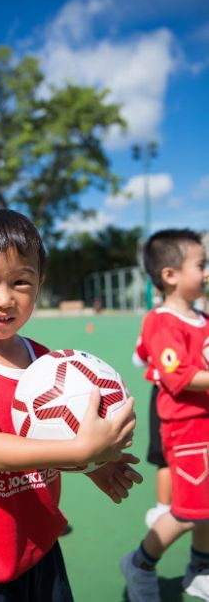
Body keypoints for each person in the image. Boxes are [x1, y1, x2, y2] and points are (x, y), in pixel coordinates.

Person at [0, 207, 142, 602]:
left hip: (40, 544)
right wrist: (79, 450)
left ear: (39, 284)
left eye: (21, 282)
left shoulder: (49, 362)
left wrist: (87, 464)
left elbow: (51, 436)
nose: (5, 299)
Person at [120, 228, 209, 602]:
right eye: (200, 265)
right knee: (187, 511)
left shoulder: (201, 317)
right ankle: (141, 563)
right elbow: (178, 377)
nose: (206, 272)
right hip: (186, 428)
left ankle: (200, 568)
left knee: (207, 506)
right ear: (170, 274)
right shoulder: (161, 322)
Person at [132, 315, 172, 528]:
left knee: (164, 456)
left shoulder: (155, 319)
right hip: (198, 399)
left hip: (165, 395)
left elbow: (138, 358)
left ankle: (163, 508)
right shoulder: (203, 319)